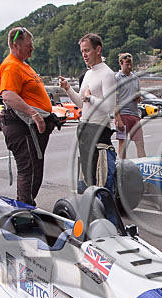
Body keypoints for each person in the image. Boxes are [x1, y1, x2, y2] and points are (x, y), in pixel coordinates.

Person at [0, 26, 56, 206]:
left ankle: (27, 206)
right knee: (29, 169)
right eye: (29, 45)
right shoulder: (11, 66)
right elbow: (8, 95)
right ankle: (24, 211)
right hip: (22, 127)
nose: (32, 48)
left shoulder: (23, 65)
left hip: (31, 128)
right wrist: (34, 113)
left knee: (35, 169)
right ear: (16, 45)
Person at [59, 33, 121, 187]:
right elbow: (81, 103)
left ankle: (101, 207)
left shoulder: (107, 74)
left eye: (87, 51)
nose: (84, 55)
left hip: (99, 130)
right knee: (88, 177)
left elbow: (109, 106)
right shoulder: (88, 74)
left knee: (100, 176)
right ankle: (91, 206)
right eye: (82, 51)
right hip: (85, 129)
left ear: (98, 50)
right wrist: (68, 89)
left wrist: (90, 98)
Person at [115, 52, 145, 158]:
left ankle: (143, 165)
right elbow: (114, 101)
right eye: (127, 64)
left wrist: (138, 98)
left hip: (134, 114)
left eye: (131, 64)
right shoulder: (117, 78)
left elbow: (138, 96)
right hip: (122, 114)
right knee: (122, 144)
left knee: (140, 143)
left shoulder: (135, 78)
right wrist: (118, 119)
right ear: (121, 63)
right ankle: (123, 167)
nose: (129, 66)